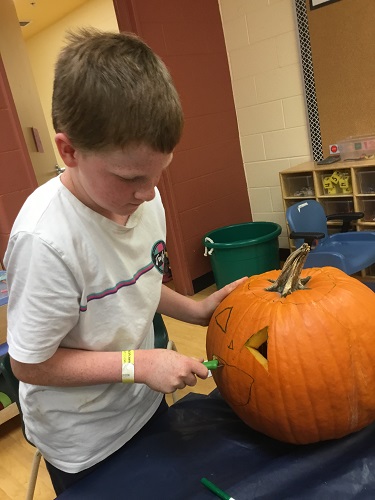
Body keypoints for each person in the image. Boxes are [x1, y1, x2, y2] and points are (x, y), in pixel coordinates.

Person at [4, 28, 245, 495]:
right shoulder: (45, 241)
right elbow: (28, 365)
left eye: (160, 173)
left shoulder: (142, 198)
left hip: (143, 405)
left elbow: (136, 283)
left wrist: (195, 310)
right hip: (85, 441)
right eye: (131, 177)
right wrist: (138, 363)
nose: (150, 192)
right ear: (69, 151)